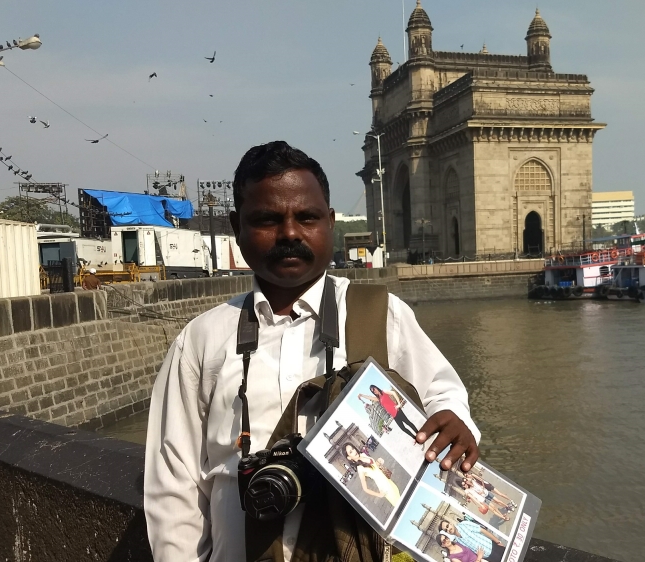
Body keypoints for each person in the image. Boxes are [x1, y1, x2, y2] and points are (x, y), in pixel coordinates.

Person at [144, 141, 481, 562]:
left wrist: (456, 423)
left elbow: (444, 396)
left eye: (306, 217)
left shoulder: (380, 314)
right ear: (237, 227)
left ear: (330, 222)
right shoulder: (203, 339)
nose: (289, 233)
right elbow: (173, 487)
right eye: (267, 219)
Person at [342, 442, 400, 507]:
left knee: (398, 494)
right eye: (350, 452)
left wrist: (378, 462)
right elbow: (365, 488)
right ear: (349, 458)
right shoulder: (360, 469)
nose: (354, 451)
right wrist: (379, 495)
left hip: (387, 479)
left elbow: (374, 467)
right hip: (384, 486)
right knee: (398, 502)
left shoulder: (363, 454)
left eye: (353, 448)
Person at [439, 519, 505, 562]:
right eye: (446, 530)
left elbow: (482, 530)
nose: (448, 529)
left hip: (492, 547)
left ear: (450, 523)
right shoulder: (458, 541)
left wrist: (497, 541)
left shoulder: (464, 524)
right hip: (488, 557)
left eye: (447, 526)